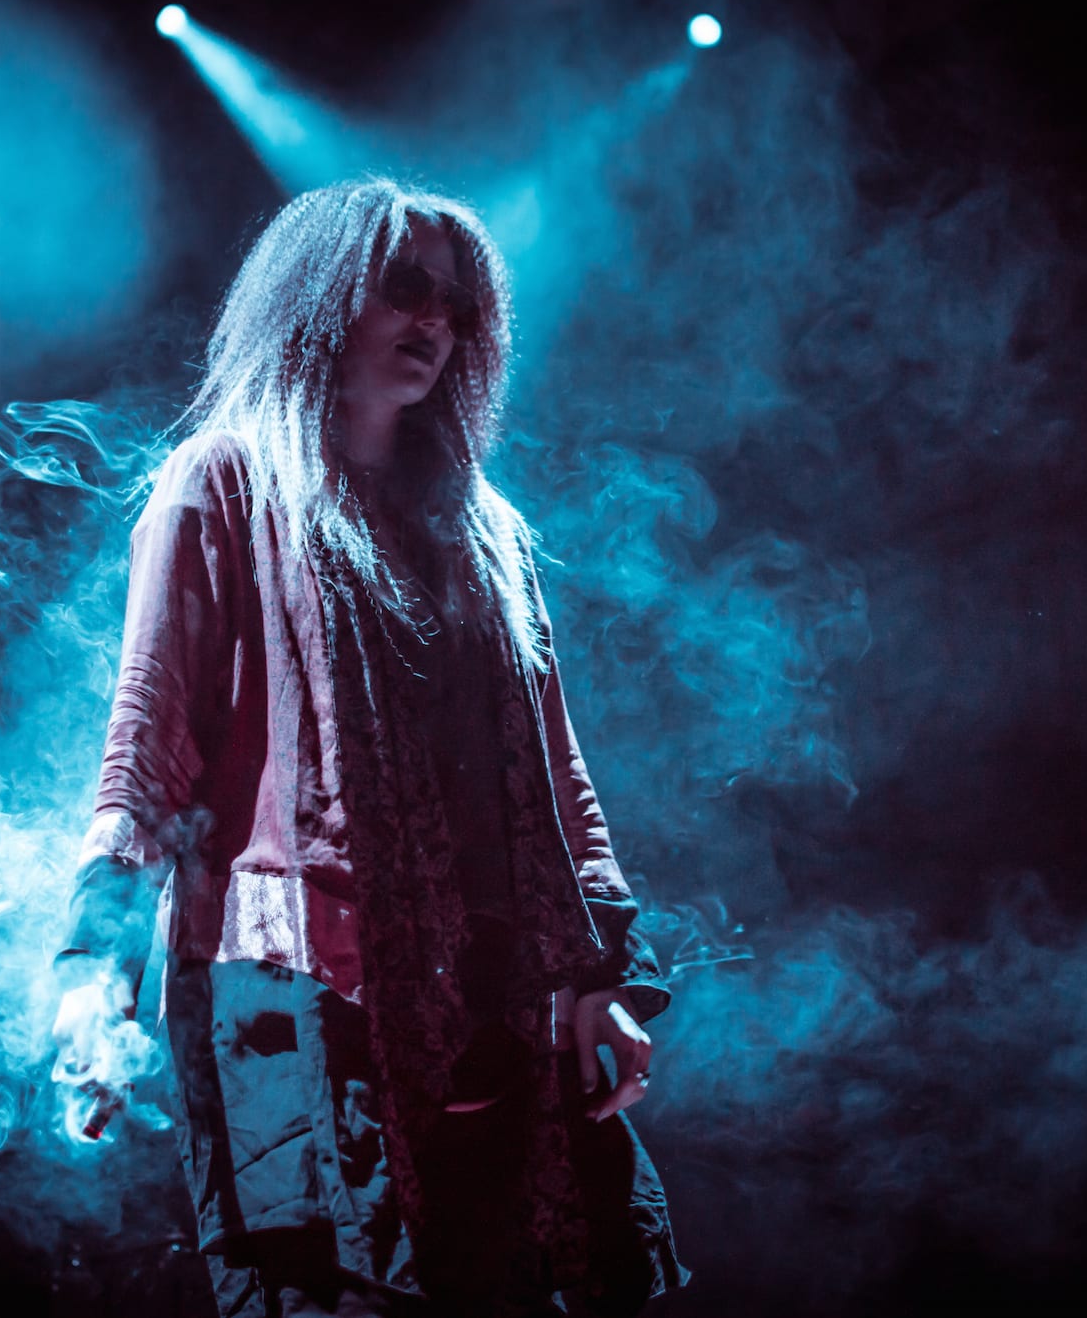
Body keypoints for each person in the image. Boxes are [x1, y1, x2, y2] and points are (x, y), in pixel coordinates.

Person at [53, 178, 689, 1316]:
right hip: (307, 1004)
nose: (434, 319)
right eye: (404, 286)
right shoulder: (222, 484)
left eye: (457, 303)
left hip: (502, 1015)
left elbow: (558, 772)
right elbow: (146, 750)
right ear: (318, 296)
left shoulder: (487, 529)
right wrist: (93, 977)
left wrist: (604, 977)